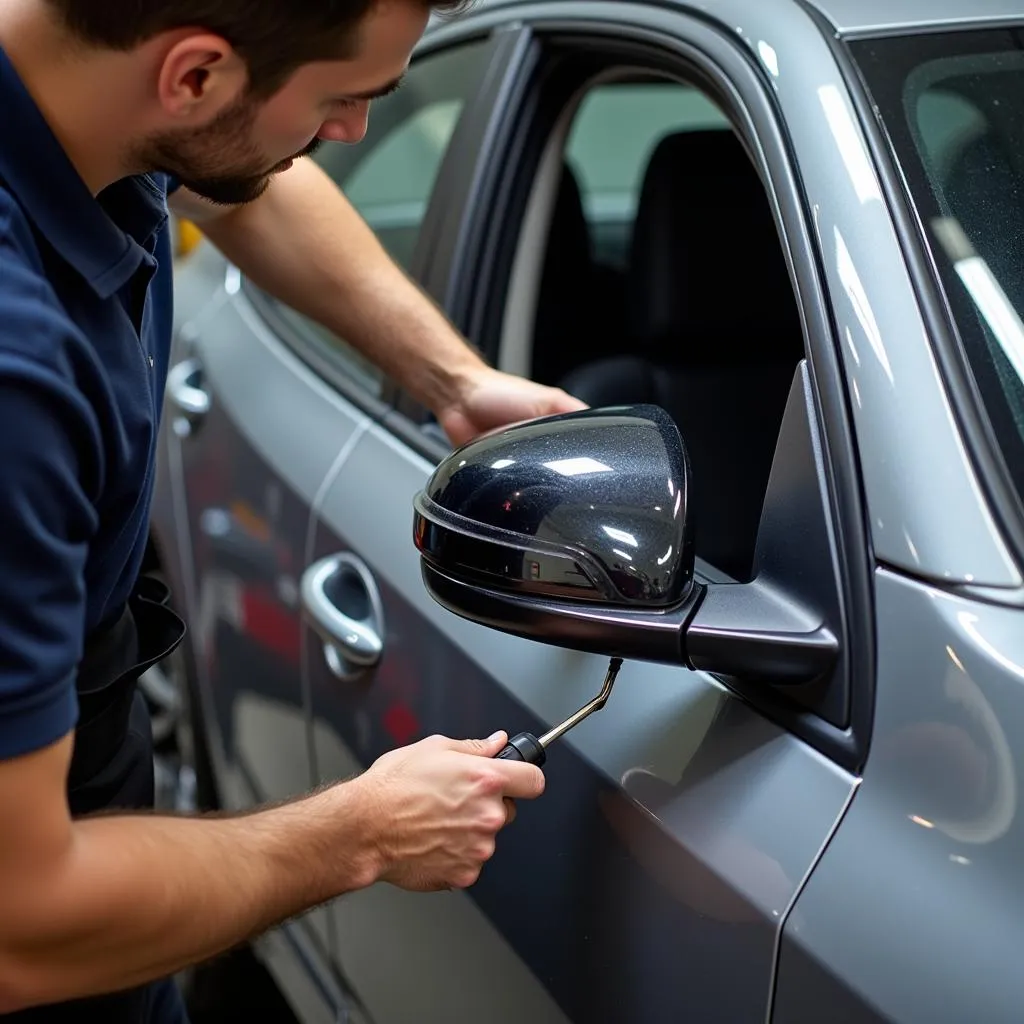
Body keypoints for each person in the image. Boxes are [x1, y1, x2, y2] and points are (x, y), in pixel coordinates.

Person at [0, 0, 586, 1018]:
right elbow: (19, 926)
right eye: (340, 102)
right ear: (195, 76)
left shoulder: (84, 86)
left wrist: (451, 379)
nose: (351, 134)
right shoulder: (16, 385)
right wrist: (361, 831)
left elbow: (240, 190)